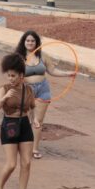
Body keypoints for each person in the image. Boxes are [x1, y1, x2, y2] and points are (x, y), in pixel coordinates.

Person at [15, 31, 75, 159]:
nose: (30, 43)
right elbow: (13, 76)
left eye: (33, 41)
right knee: (26, 119)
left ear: (37, 43)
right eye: (28, 40)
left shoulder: (43, 56)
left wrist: (67, 74)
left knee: (38, 121)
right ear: (23, 42)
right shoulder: (19, 57)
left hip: (43, 88)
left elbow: (52, 70)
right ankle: (21, 143)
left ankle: (34, 148)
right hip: (27, 89)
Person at [0, 53, 39, 189]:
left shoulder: (28, 89)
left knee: (26, 163)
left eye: (13, 76)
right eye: (9, 75)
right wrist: (4, 97)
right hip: (10, 125)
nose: (11, 79)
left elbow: (32, 107)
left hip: (25, 125)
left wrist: (36, 120)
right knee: (12, 164)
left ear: (21, 75)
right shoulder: (4, 88)